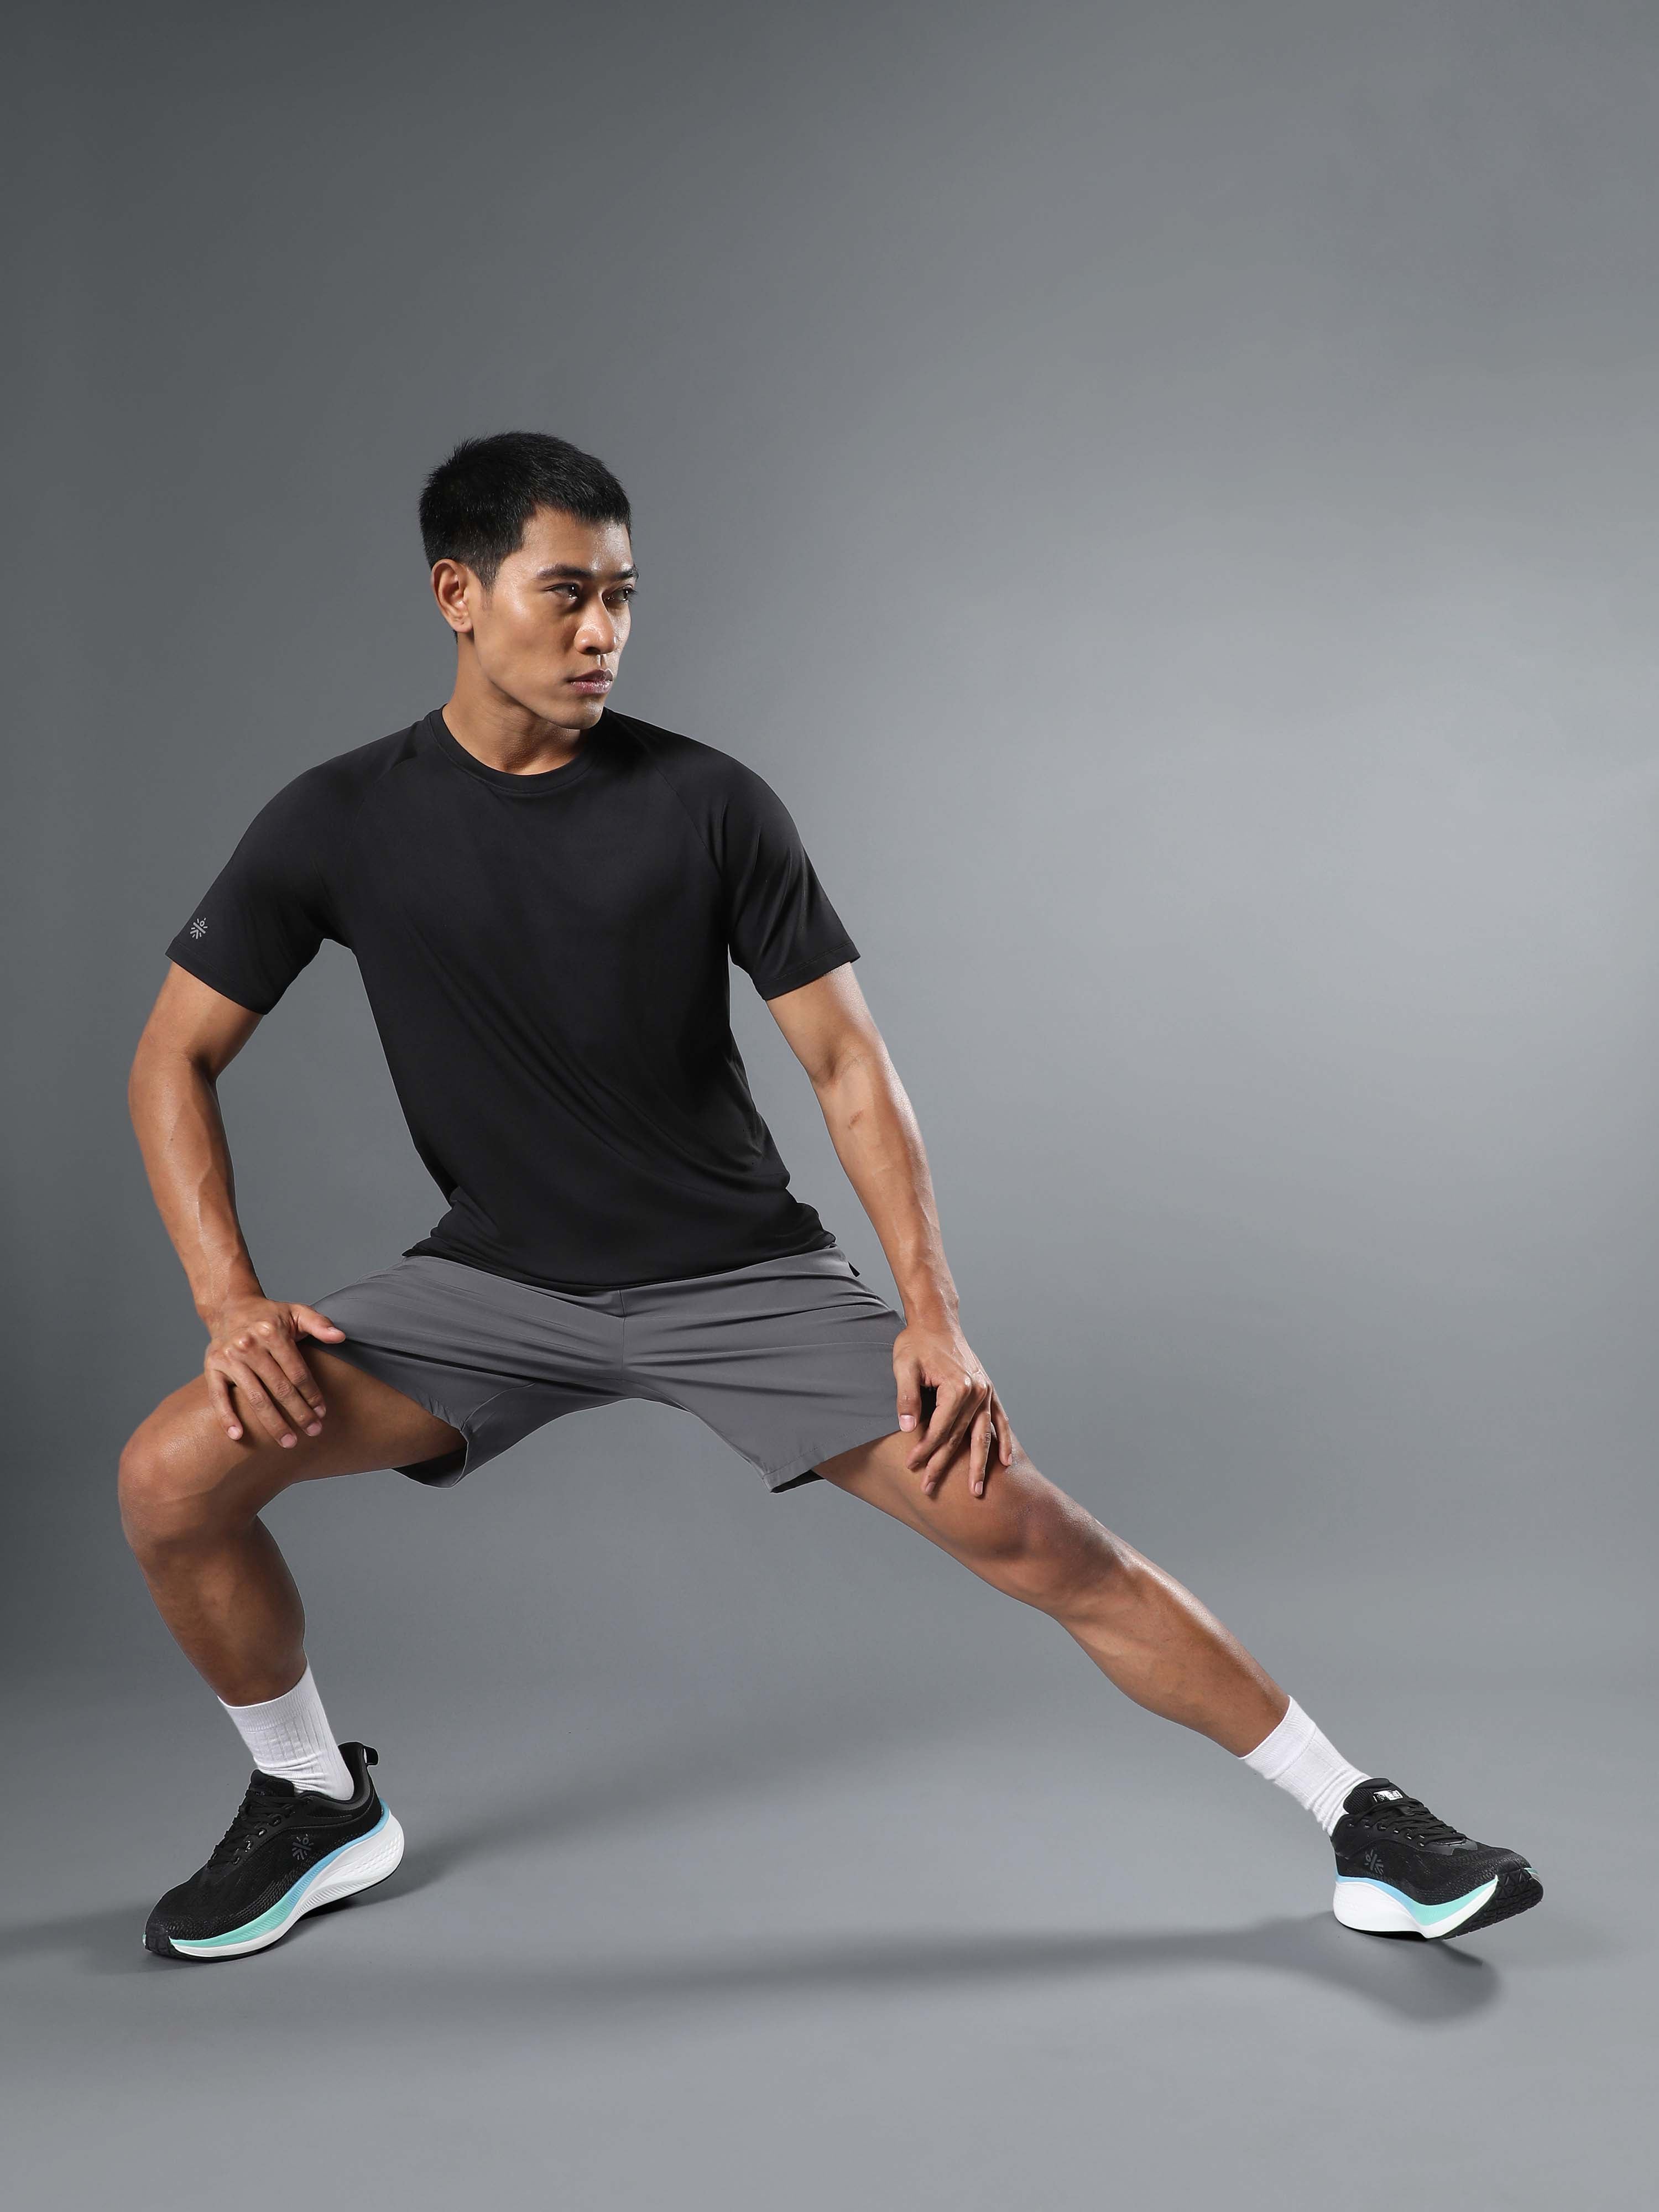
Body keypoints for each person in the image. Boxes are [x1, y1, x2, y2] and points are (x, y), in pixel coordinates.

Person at [121, 431, 1541, 1962]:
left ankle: (1363, 1820)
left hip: (738, 1280)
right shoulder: (340, 818)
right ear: (458, 595)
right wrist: (226, 1297)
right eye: (565, 594)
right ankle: (314, 1799)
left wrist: (932, 1312)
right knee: (171, 1479)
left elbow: (848, 1067)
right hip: (494, 1289)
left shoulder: (710, 803)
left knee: (1038, 1537)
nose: (603, 632)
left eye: (623, 596)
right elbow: (171, 1058)